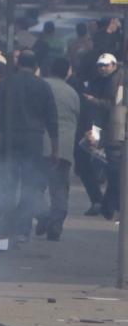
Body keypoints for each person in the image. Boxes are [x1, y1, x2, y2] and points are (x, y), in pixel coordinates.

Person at [0, 51, 59, 242]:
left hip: (8, 139)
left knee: (7, 185)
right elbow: (52, 119)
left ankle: (3, 227)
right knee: (29, 185)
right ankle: (22, 229)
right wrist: (55, 148)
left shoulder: (5, 83)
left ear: (19, 65)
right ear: (36, 66)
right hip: (33, 140)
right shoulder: (43, 86)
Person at [36, 57, 81, 240]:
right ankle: (55, 224)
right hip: (64, 148)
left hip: (40, 145)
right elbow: (77, 118)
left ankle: (42, 214)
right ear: (67, 72)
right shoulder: (73, 94)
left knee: (34, 186)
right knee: (60, 189)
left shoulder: (40, 86)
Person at [83, 52, 127, 219]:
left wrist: (93, 100)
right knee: (113, 172)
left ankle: (111, 206)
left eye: (106, 65)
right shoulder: (104, 80)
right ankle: (110, 206)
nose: (102, 68)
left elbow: (114, 105)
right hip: (110, 132)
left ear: (114, 65)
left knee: (115, 172)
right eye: (100, 65)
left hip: (116, 133)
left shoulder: (117, 80)